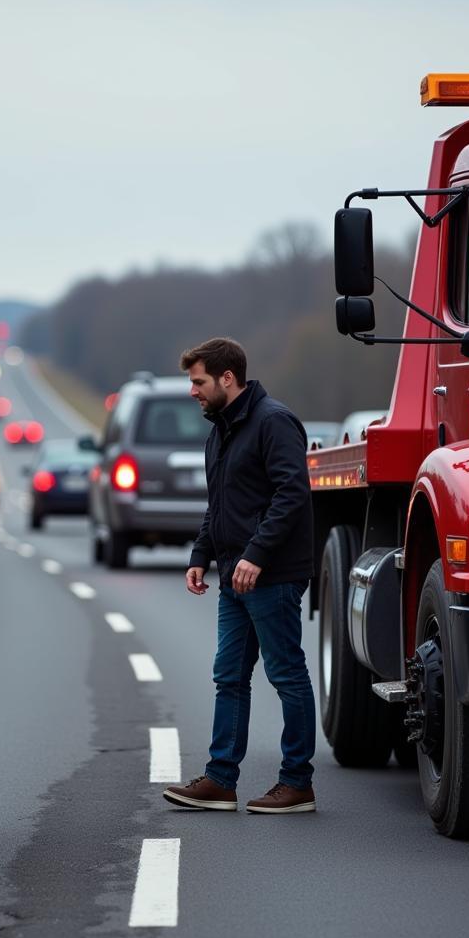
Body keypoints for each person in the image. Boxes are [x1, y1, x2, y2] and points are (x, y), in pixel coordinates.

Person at [163, 337, 317, 814]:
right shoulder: (221, 430)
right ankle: (220, 781)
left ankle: (297, 784)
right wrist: (199, 555)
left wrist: (256, 554)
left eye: (198, 381)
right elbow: (220, 506)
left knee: (287, 675)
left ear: (227, 378)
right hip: (235, 577)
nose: (193, 390)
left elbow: (292, 495)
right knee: (229, 677)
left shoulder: (273, 422)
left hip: (271, 575)